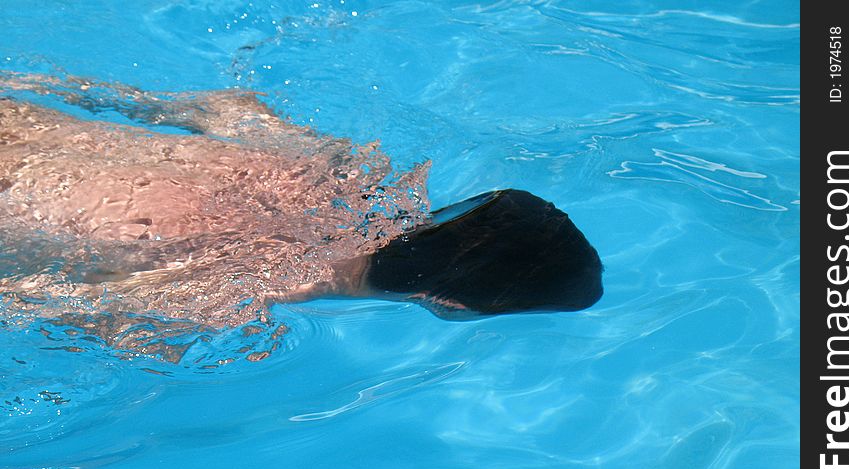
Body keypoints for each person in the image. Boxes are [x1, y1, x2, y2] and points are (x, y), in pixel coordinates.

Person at [1, 73, 602, 331]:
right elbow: (27, 301)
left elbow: (226, 106)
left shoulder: (334, 164)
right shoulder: (236, 296)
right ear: (452, 306)